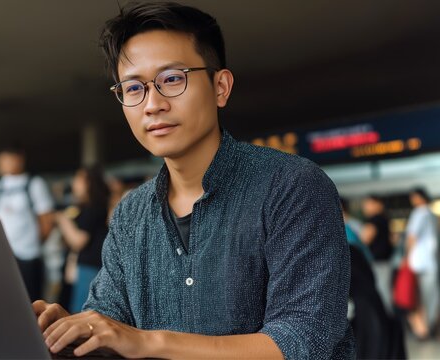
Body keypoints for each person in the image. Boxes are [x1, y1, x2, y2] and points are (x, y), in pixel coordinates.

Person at [34, 3, 354, 359]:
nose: (152, 104)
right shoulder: (130, 214)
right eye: (134, 88)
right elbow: (112, 326)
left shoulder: (292, 186)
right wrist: (73, 335)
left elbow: (303, 339)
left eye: (172, 79)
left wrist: (149, 341)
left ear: (221, 87)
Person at [0, 147, 55, 301]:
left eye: (9, 158)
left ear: (20, 159)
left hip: (28, 255)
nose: (5, 163)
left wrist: (33, 243)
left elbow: (47, 220)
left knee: (31, 303)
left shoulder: (35, 184)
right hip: (0, 256)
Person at [56, 165, 110, 313]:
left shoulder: (94, 208)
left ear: (89, 183)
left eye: (78, 178)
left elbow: (79, 240)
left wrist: (62, 219)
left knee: (82, 313)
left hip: (89, 267)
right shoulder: (83, 207)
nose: (74, 182)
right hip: (83, 267)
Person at [405, 187, 438, 339]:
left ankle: (422, 329)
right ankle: (428, 326)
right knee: (431, 296)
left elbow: (412, 237)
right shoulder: (432, 214)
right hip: (431, 262)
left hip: (417, 262)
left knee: (418, 298)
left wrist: (406, 257)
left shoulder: (418, 213)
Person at [360, 195, 394, 313]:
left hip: (377, 263)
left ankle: (385, 323)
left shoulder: (375, 220)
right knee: (385, 292)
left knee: (382, 293)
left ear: (377, 204)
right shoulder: (385, 219)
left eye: (367, 204)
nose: (364, 207)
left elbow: (364, 239)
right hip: (385, 262)